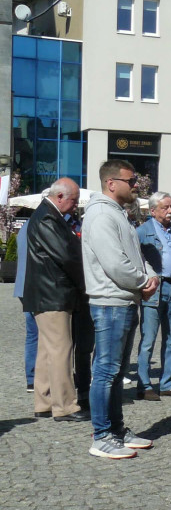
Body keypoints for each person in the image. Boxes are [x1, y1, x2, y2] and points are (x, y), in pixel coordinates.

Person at [82, 160, 157, 459]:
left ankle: (116, 429)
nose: (136, 185)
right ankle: (101, 435)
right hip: (111, 301)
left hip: (124, 300)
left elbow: (135, 255)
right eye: (131, 180)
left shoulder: (119, 215)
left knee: (116, 373)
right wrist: (142, 281)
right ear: (111, 183)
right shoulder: (101, 214)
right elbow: (114, 263)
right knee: (106, 370)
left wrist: (149, 275)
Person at [24, 178, 89, 422]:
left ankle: (44, 401)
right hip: (53, 293)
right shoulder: (48, 218)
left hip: (47, 293)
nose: (75, 206)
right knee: (61, 350)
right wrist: (86, 281)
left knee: (47, 351)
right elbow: (67, 256)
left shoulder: (45, 216)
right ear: (60, 197)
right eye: (73, 201)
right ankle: (64, 406)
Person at [135, 191, 171, 401]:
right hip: (155, 288)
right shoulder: (142, 232)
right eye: (165, 207)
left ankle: (167, 383)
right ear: (152, 210)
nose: (170, 211)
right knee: (148, 339)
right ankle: (144, 385)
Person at [13, 222, 37, 394]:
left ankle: (32, 378)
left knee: (33, 334)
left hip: (24, 285)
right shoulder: (43, 223)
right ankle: (37, 376)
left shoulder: (26, 225)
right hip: (37, 287)